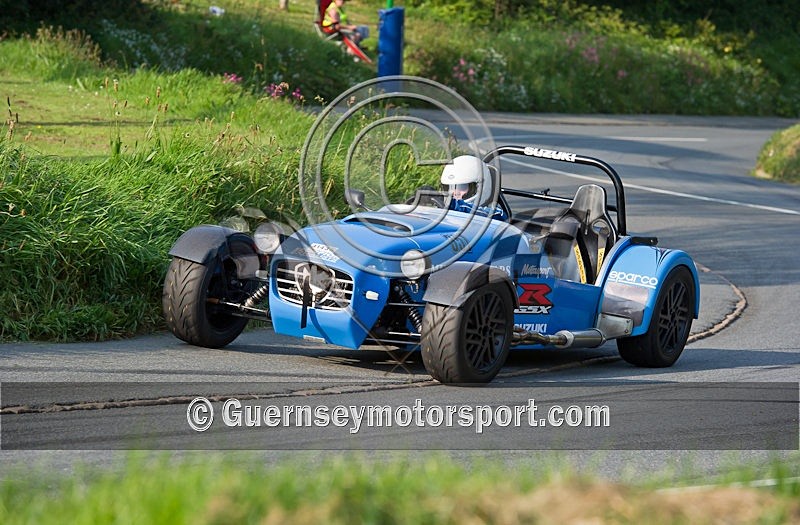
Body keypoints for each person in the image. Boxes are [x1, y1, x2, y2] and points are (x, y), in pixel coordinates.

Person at [440, 155, 507, 221]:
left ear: (482, 187)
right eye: (448, 188)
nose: (454, 193)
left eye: (461, 187)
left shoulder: (496, 214)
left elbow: (499, 214)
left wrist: (453, 205)